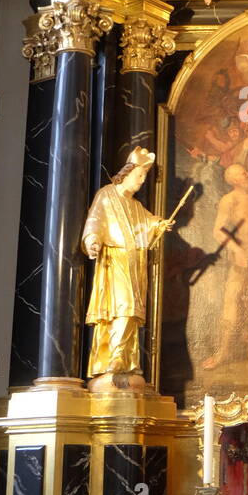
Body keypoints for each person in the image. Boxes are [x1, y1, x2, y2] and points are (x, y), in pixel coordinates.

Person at [82, 147, 171, 379]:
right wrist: (92, 240)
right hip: (115, 261)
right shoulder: (106, 195)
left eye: (144, 178)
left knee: (132, 313)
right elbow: (95, 221)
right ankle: (115, 359)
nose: (141, 182)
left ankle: (125, 360)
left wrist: (159, 224)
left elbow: (147, 223)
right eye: (139, 176)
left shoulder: (136, 206)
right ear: (127, 172)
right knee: (123, 308)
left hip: (135, 265)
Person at [202, 164, 248, 371]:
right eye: (243, 173)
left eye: (246, 171)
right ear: (233, 180)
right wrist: (238, 251)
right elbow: (218, 231)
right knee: (231, 298)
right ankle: (222, 352)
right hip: (243, 253)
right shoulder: (229, 200)